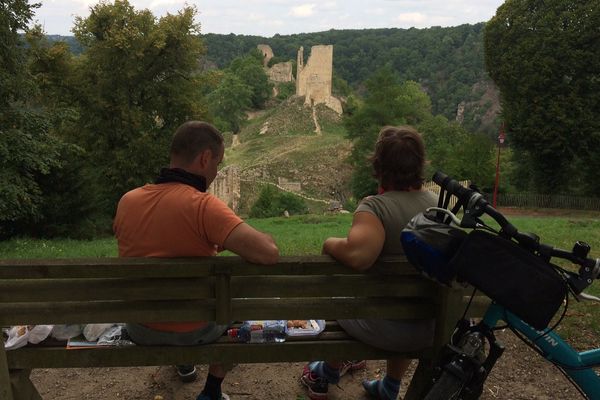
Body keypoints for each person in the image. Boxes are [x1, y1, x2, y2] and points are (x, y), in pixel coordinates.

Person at [114, 121, 279, 400]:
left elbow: (161, 242)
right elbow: (268, 252)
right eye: (217, 163)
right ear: (205, 158)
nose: (216, 172)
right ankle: (212, 391)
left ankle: (183, 362)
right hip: (196, 329)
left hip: (141, 327)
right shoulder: (204, 206)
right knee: (241, 309)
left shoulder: (127, 202)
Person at [300, 125, 437, 400]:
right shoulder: (436, 205)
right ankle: (390, 387)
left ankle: (327, 371)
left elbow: (358, 256)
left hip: (384, 329)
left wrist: (329, 243)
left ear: (379, 165)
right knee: (405, 305)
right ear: (420, 164)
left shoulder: (375, 208)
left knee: (338, 296)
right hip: (431, 327)